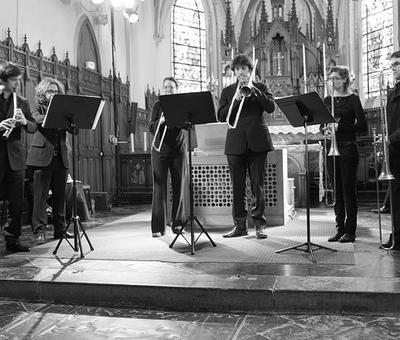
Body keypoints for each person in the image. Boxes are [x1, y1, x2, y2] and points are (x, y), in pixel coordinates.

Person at [217, 54, 276, 239]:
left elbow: (271, 107)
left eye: (245, 68)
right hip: (235, 144)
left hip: (258, 142)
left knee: (258, 186)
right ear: (234, 72)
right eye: (238, 69)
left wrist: (253, 91)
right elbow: (221, 116)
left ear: (250, 71)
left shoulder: (261, 87)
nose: (241, 72)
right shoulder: (227, 91)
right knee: (237, 187)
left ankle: (259, 225)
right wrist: (235, 99)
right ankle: (240, 226)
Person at [322, 66, 367, 243]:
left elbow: (362, 126)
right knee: (337, 191)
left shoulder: (353, 99)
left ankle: (350, 231)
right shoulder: (327, 100)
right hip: (331, 148)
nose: (333, 82)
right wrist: (324, 129)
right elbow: (321, 123)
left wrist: (341, 127)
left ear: (345, 80)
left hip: (348, 147)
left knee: (348, 190)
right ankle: (339, 229)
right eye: (331, 79)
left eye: (336, 79)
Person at [26, 78, 72, 243]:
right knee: (40, 197)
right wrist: (56, 115)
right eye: (50, 91)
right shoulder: (37, 106)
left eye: (56, 91)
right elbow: (37, 119)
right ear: (43, 92)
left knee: (60, 196)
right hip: (41, 157)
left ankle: (60, 229)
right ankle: (39, 231)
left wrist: (72, 122)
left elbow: (73, 130)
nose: (53, 94)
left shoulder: (63, 109)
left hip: (61, 157)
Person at [0, 62, 36, 252]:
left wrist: (24, 122)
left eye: (18, 80)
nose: (17, 84)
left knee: (16, 201)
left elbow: (33, 126)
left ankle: (13, 240)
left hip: (16, 157)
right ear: (3, 80)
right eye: (14, 80)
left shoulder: (21, 101)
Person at [149, 76, 186, 238]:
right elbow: (151, 126)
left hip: (178, 149)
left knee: (179, 186)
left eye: (171, 87)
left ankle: (178, 224)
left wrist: (174, 118)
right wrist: (161, 122)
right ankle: (158, 227)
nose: (168, 90)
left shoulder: (181, 105)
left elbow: (186, 124)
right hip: (160, 150)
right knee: (159, 188)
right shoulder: (158, 105)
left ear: (176, 89)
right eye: (166, 88)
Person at [382, 51, 400, 250]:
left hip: (396, 142)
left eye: (397, 64)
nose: (393, 67)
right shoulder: (393, 91)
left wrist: (391, 138)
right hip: (395, 149)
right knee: (395, 195)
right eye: (392, 65)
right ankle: (396, 235)